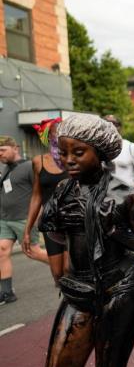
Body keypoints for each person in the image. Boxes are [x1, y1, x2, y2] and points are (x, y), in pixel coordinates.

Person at [39, 114, 134, 367]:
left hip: (122, 288)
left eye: (78, 152)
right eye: (64, 152)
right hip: (79, 288)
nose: (68, 160)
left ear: (100, 152)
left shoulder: (127, 195)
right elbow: (55, 233)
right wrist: (57, 222)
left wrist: (113, 230)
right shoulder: (63, 190)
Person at [0, 136, 48, 305]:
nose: (0, 154)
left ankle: (66, 271)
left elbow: (39, 193)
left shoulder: (29, 166)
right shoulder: (5, 168)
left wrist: (37, 218)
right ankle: (6, 292)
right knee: (2, 251)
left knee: (33, 252)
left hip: (24, 218)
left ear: (16, 148)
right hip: (5, 219)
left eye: (3, 150)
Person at [23, 118, 69, 284]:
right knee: (58, 274)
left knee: (69, 270)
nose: (60, 135)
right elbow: (36, 196)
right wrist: (27, 230)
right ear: (48, 136)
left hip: (74, 221)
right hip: (51, 224)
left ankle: (78, 308)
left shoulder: (73, 158)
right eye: (56, 131)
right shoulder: (38, 161)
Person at [103, 115, 134, 190]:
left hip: (126, 198)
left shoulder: (131, 148)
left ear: (121, 128)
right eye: (107, 124)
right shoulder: (95, 150)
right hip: (103, 198)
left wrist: (133, 192)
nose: (111, 127)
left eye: (115, 124)